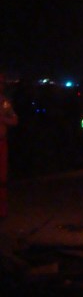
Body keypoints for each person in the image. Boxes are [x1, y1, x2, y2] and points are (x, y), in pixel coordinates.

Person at [0, 74, 18, 218]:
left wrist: (3, 119)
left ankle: (2, 210)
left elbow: (14, 120)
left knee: (2, 177)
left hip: (1, 142)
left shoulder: (4, 102)